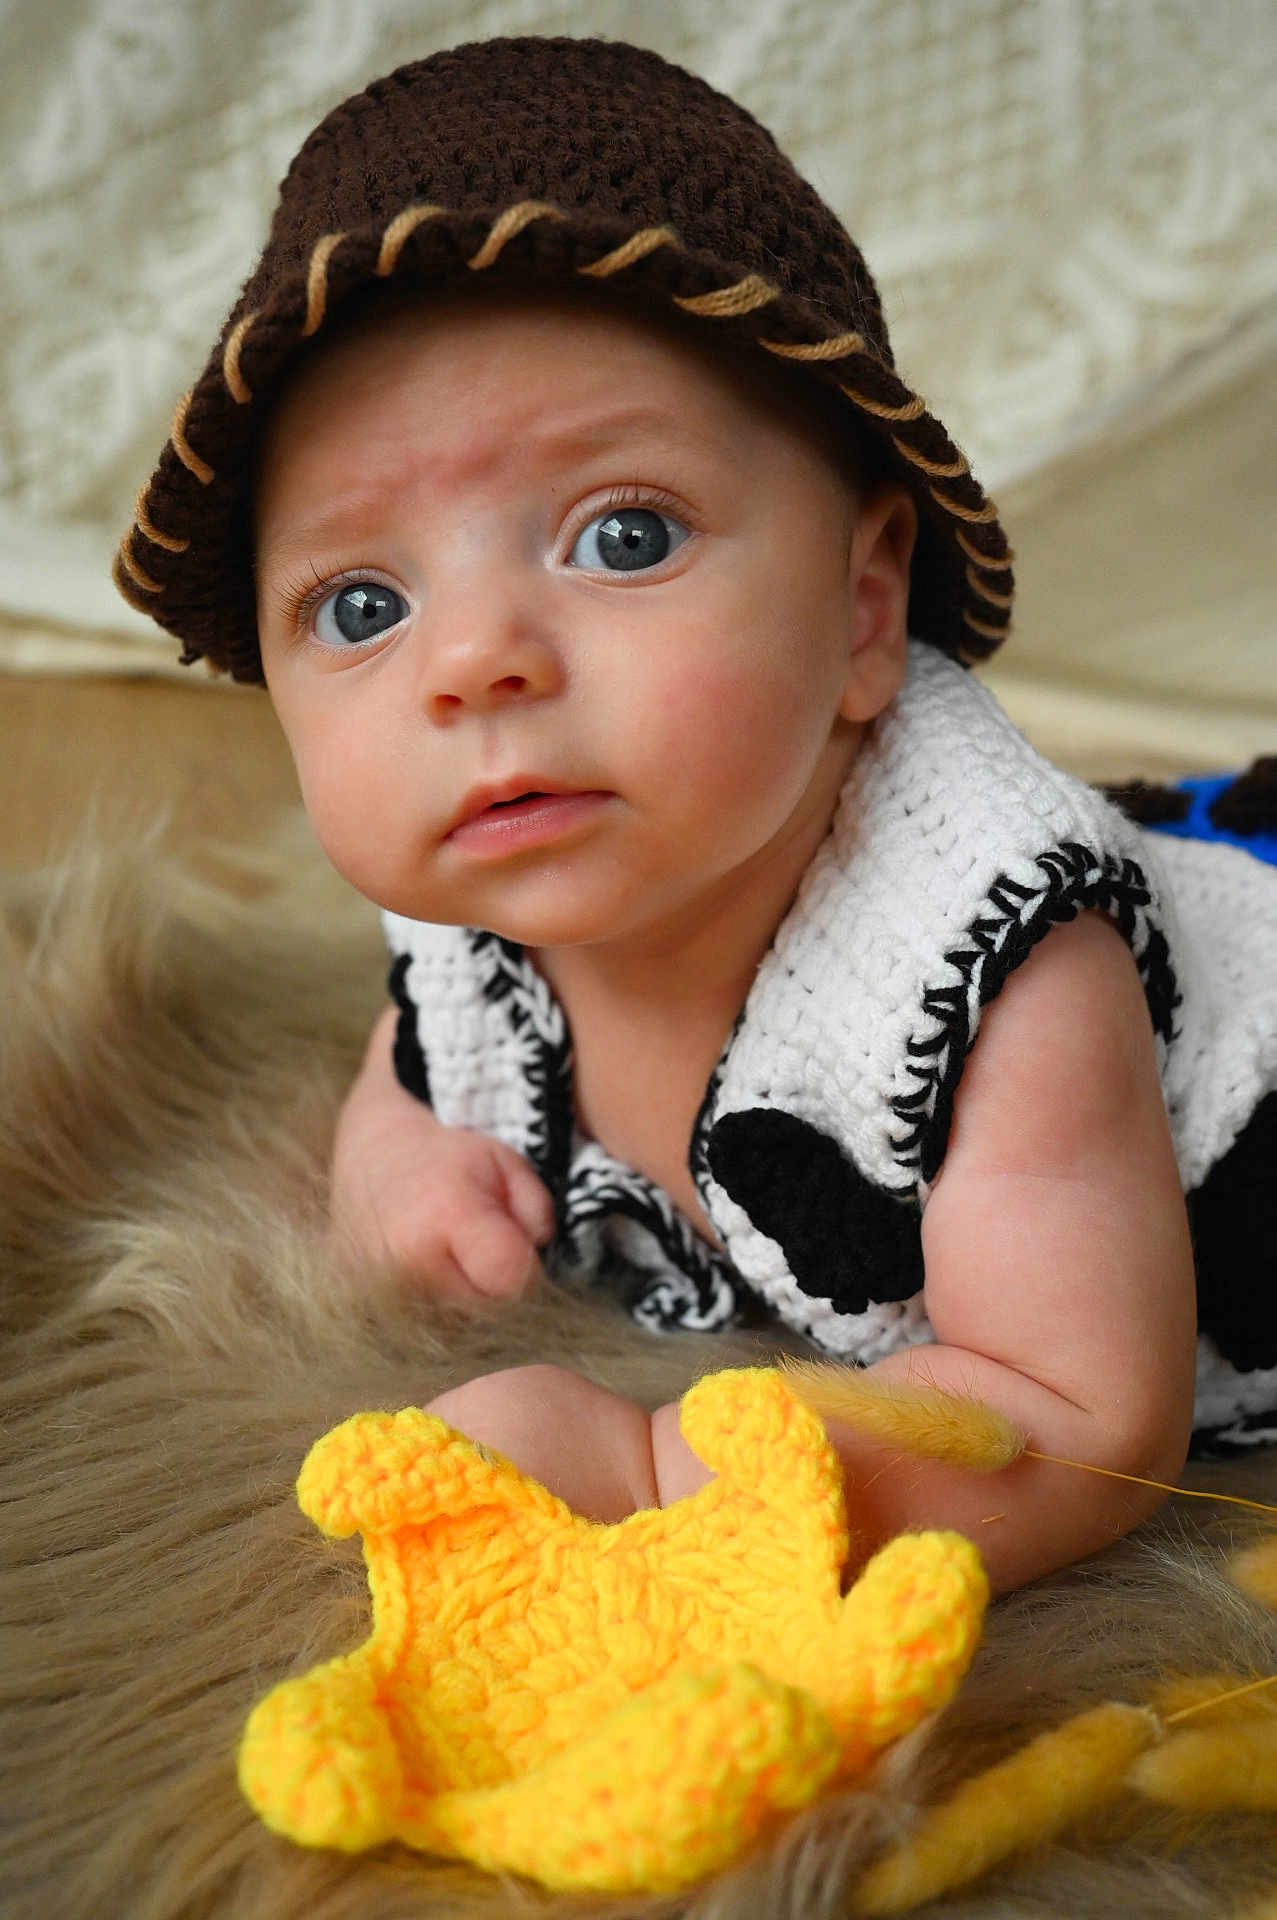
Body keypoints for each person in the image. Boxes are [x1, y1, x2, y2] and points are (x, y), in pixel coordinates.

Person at [113, 37, 1277, 1591]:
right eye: (363, 602)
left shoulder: (1001, 970)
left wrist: (666, 1469)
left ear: (866, 609)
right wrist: (393, 1168)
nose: (471, 661)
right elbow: (421, 1042)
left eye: (624, 533)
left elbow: (1075, 1422)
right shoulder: (491, 881)